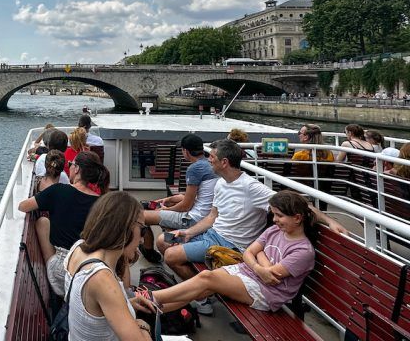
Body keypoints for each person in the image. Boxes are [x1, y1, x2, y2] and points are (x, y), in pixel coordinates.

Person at [161, 139, 344, 315]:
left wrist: (329, 221)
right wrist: (187, 233)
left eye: (212, 157)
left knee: (173, 256)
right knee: (163, 241)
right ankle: (162, 303)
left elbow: (295, 204)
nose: (209, 160)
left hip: (230, 244)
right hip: (214, 235)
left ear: (224, 162)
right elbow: (211, 217)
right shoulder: (220, 183)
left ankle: (182, 299)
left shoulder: (250, 187)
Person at [148, 191, 317, 314]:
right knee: (203, 287)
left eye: (279, 216)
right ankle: (154, 310)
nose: (274, 220)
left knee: (207, 278)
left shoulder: (302, 251)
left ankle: (151, 297)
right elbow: (250, 252)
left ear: (297, 218)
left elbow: (271, 276)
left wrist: (259, 256)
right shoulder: (275, 230)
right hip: (250, 273)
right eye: (274, 215)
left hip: (266, 293)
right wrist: (260, 262)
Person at [63, 191, 157, 340]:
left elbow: (91, 309)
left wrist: (127, 303)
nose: (141, 240)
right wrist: (142, 326)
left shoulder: (79, 248)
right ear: (125, 227)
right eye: (143, 230)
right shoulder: (102, 279)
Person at [18, 151, 110, 296]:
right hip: (89, 270)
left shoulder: (58, 190)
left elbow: (23, 206)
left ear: (77, 169)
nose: (70, 167)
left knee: (42, 222)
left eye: (71, 164)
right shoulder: (102, 202)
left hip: (62, 272)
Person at [140, 134, 217, 261]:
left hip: (193, 219)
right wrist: (168, 200)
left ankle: (148, 251)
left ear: (185, 151)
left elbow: (186, 205)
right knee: (158, 210)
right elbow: (195, 197)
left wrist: (165, 210)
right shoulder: (210, 165)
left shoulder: (195, 168)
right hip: (206, 216)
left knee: (140, 216)